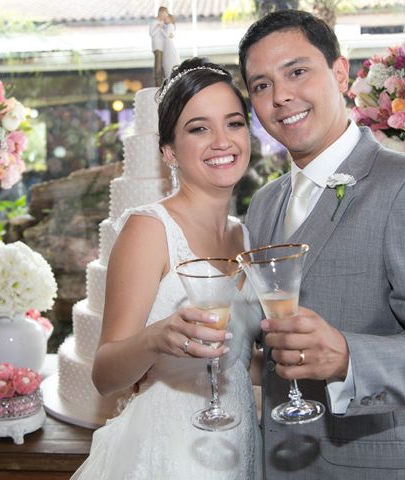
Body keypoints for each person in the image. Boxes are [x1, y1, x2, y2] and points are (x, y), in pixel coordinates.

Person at [238, 9, 405, 479]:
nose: (281, 96)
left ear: (340, 71)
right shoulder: (264, 204)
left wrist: (348, 357)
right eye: (261, 85)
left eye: (297, 72)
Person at [71, 58, 262, 479]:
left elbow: (240, 360)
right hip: (169, 453)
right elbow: (105, 375)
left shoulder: (246, 237)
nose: (221, 141)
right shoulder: (149, 229)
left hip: (240, 441)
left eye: (233, 123)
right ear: (169, 151)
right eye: (199, 128)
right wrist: (156, 339)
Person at [149, 6, 169, 86]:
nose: (164, 17)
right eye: (163, 15)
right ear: (160, 13)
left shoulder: (164, 23)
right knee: (158, 66)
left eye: (165, 15)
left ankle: (164, 83)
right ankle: (158, 84)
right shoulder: (154, 22)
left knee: (164, 66)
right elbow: (151, 34)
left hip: (164, 46)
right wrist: (158, 28)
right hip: (157, 47)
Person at [162, 12, 181, 80]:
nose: (164, 19)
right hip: (166, 43)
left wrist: (160, 29)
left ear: (170, 19)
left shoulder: (170, 25)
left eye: (166, 18)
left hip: (168, 44)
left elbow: (166, 35)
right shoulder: (167, 26)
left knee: (169, 59)